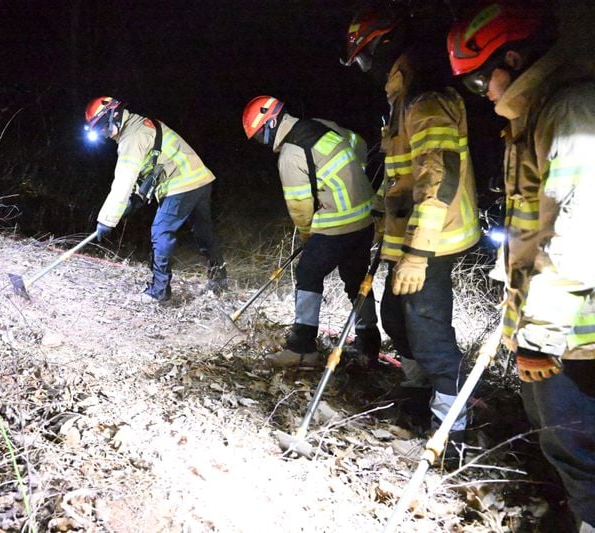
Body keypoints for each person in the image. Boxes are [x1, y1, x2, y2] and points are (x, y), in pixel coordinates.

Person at [448, 2, 594, 529]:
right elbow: (531, 223)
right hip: (553, 319)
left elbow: (579, 228)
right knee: (556, 432)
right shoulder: (534, 114)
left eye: (480, 79)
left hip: (575, 325)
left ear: (513, 56)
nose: (482, 92)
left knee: (573, 435)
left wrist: (541, 334)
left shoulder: (571, 109)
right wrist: (515, 308)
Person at [342, 2, 481, 459]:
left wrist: (418, 254)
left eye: (364, 55)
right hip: (408, 238)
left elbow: (438, 177)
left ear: (384, 46)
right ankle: (417, 398)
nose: (364, 67)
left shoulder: (426, 97)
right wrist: (386, 221)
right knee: (395, 317)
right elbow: (403, 178)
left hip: (433, 240)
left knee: (428, 329)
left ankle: (451, 431)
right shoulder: (401, 99)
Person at [241, 95, 381, 369]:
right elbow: (359, 144)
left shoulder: (291, 154)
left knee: (308, 272)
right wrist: (355, 177)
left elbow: (300, 207)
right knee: (356, 280)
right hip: (365, 218)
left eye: (259, 136)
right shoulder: (320, 125)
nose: (262, 143)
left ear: (270, 125)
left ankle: (302, 347)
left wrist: (307, 235)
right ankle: (369, 342)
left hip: (337, 223)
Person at [84, 96, 227, 303]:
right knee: (204, 233)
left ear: (112, 116)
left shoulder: (131, 138)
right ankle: (220, 283)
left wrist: (107, 220)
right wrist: (136, 199)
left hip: (181, 184)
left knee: (161, 231)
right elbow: (150, 169)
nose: (103, 134)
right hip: (201, 180)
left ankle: (159, 291)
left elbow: (124, 179)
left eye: (101, 128)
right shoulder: (140, 124)